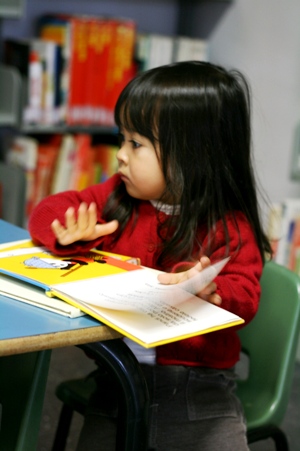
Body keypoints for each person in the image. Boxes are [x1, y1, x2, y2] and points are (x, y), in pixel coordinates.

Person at [28, 61, 272, 451]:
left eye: (136, 144)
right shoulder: (119, 195)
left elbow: (245, 293)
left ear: (195, 153)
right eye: (121, 138)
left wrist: (214, 292)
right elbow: (47, 211)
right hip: (117, 381)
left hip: (197, 391)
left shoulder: (228, 223)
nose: (120, 155)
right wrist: (70, 231)